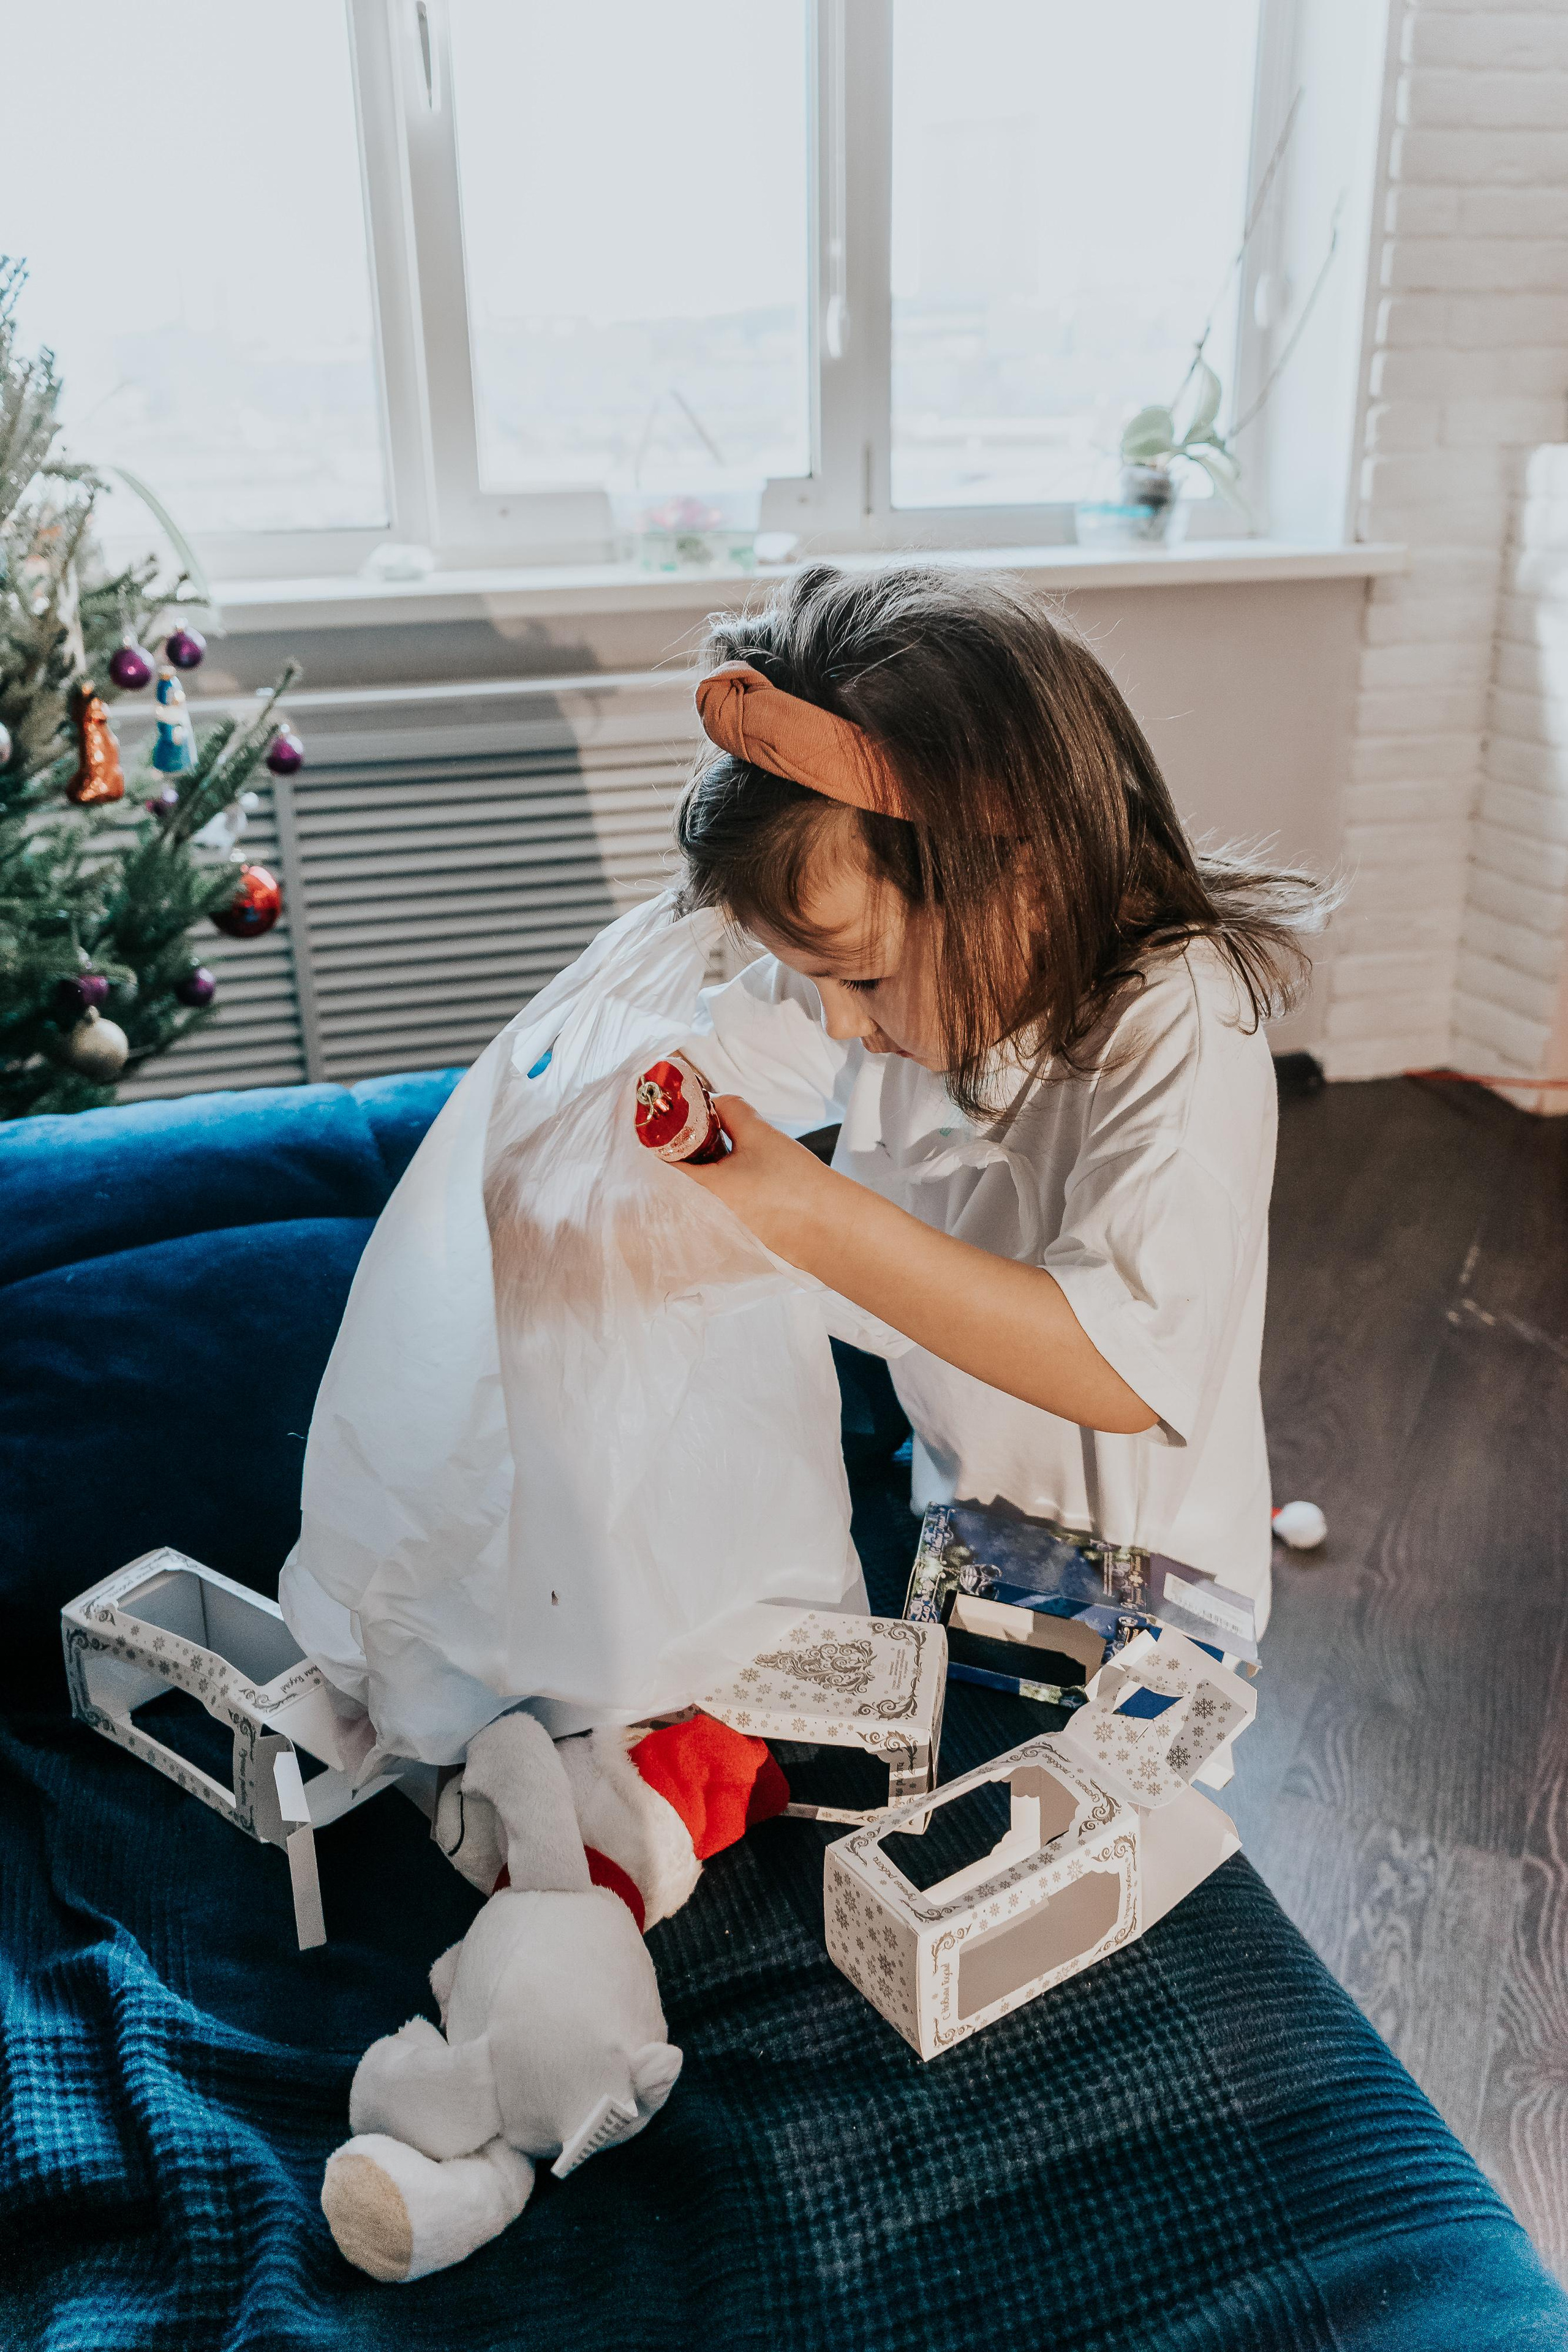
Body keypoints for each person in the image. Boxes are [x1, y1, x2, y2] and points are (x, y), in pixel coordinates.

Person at [673, 563, 1330, 1630]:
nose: (837, 1019)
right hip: (966, 1519)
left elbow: (1115, 1361)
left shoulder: (1180, 1022)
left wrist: (809, 1217)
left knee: (1091, 1799)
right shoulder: (908, 961)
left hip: (1149, 1597)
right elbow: (697, 1057)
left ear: (1017, 884)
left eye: (860, 976)